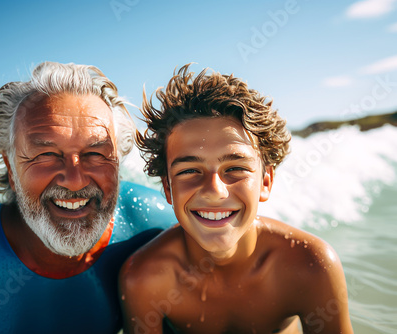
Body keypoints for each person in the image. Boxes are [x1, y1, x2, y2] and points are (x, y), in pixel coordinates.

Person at [0, 62, 175, 333]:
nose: (75, 179)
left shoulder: (157, 227)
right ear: (10, 167)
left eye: (95, 154)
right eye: (46, 155)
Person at [119, 64, 354, 333]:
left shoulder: (309, 265)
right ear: (169, 190)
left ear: (266, 182)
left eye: (234, 168)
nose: (214, 190)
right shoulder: (146, 279)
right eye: (189, 171)